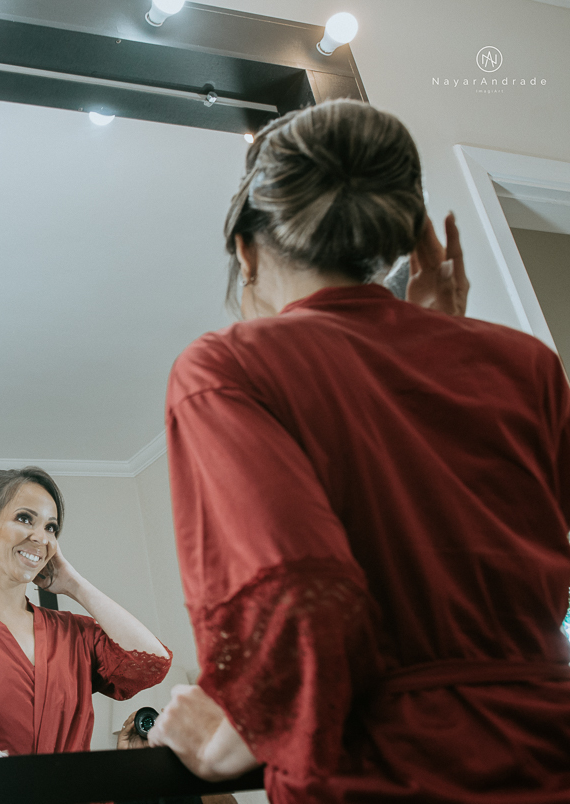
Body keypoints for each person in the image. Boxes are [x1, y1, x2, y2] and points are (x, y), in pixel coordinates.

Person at [142, 98, 570, 801]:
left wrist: (225, 748)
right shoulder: (526, 364)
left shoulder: (226, 366)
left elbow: (303, 591)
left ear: (247, 250)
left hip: (387, 770)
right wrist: (438, 347)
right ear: (398, 235)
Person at [0, 466, 172, 759]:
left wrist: (75, 585)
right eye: (24, 518)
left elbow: (153, 663)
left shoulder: (73, 633)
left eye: (50, 527)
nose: (41, 538)